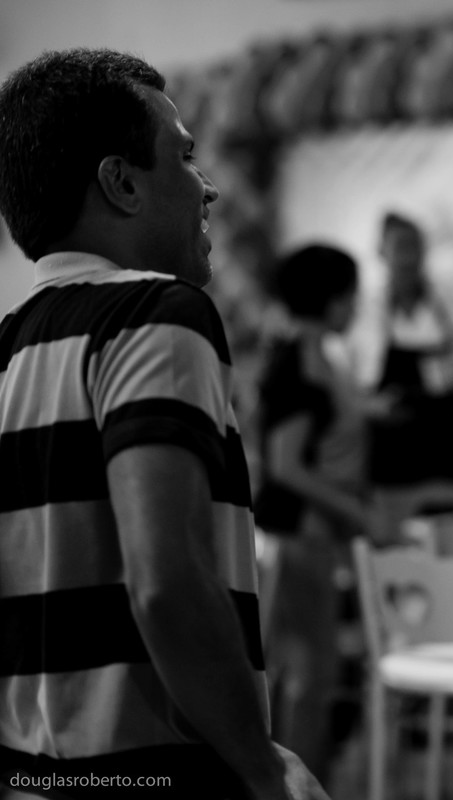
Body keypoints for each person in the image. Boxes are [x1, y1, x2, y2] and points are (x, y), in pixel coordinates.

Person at [0, 48, 326, 798]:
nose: (209, 186)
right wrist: (260, 767)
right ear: (121, 183)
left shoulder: (9, 345)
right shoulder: (155, 312)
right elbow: (167, 581)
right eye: (184, 156)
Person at [253, 244, 372, 785]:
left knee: (310, 671)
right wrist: (357, 511)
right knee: (310, 673)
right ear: (330, 299)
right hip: (299, 535)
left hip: (312, 535)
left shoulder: (314, 356)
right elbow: (286, 465)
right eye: (350, 294)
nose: (356, 305)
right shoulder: (298, 363)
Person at [365, 212, 453, 515]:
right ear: (382, 252)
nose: (409, 257)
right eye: (401, 247)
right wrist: (374, 406)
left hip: (444, 451)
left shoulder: (450, 306)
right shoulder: (367, 313)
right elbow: (352, 386)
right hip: (391, 458)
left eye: (415, 246)